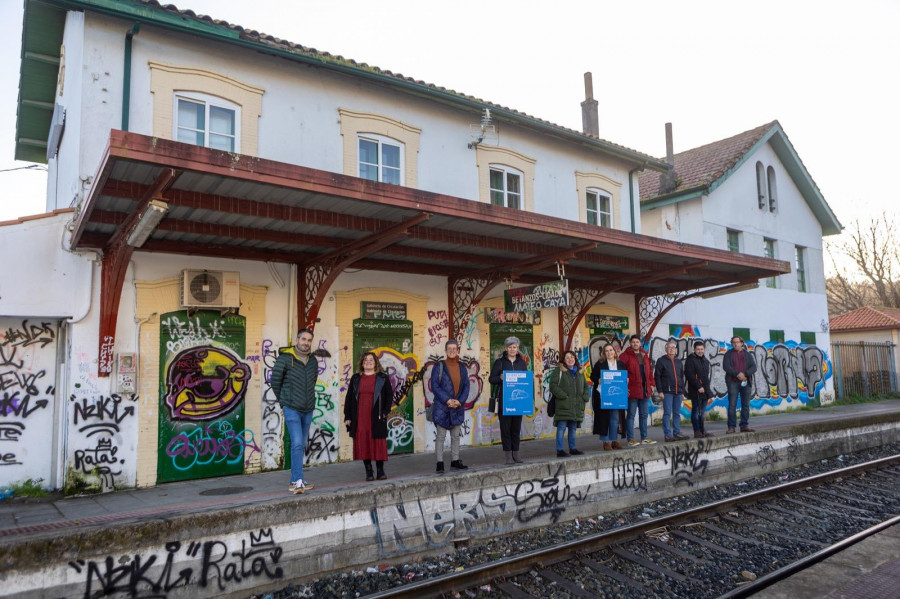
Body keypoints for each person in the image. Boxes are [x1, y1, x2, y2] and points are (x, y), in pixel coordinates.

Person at [271, 328, 319, 494]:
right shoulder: (285, 358)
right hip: (291, 408)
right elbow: (275, 381)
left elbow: (313, 381)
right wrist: (284, 401)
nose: (306, 343)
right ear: (297, 339)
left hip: (308, 408)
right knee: (297, 442)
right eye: (303, 339)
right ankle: (296, 480)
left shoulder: (313, 361)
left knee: (301, 444)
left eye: (309, 340)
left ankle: (298, 479)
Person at [343, 352, 394, 481]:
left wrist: (385, 412)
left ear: (376, 362)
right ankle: (369, 471)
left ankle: (380, 470)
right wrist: (347, 416)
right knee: (364, 442)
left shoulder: (383, 378)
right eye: (366, 360)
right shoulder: (355, 378)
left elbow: (389, 396)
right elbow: (349, 398)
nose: (369, 362)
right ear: (362, 363)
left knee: (378, 442)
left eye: (371, 360)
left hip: (377, 416)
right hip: (360, 416)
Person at [431, 339, 470, 472]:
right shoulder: (439, 366)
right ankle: (439, 463)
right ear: (446, 351)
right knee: (440, 437)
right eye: (449, 348)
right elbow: (434, 385)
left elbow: (466, 386)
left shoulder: (463, 368)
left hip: (457, 407)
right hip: (442, 407)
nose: (452, 350)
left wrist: (460, 401)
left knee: (456, 436)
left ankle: (455, 461)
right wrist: (447, 400)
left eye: (454, 348)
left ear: (458, 350)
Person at [489, 336, 529, 465]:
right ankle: (507, 456)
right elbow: (491, 379)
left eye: (515, 347)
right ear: (506, 348)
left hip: (518, 402)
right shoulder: (499, 362)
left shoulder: (522, 363)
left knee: (516, 429)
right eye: (510, 347)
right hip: (504, 401)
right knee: (505, 429)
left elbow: (525, 381)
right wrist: (500, 377)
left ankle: (516, 454)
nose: (513, 349)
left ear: (518, 349)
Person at [549, 350, 590, 457]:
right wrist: (563, 396)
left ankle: (572, 448)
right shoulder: (560, 371)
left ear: (575, 359)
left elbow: (585, 386)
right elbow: (553, 385)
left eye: (572, 357)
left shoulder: (579, 372)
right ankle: (560, 450)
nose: (570, 359)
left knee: (572, 428)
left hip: (576, 405)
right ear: (564, 360)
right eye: (567, 357)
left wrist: (585, 397)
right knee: (561, 427)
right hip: (563, 405)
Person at [619, 335, 657, 446]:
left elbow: (649, 372)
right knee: (631, 415)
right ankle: (630, 439)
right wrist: (624, 388)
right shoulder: (624, 356)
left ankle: (644, 437)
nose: (636, 343)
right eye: (633, 342)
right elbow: (621, 375)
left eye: (637, 342)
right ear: (630, 343)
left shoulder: (644, 355)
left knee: (644, 415)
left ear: (640, 343)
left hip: (645, 390)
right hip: (632, 391)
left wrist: (652, 384)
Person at [591, 344, 626, 450]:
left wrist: (626, 380)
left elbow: (624, 377)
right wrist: (598, 380)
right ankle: (606, 442)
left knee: (615, 419)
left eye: (611, 350)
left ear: (615, 352)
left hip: (616, 396)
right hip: (603, 396)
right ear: (604, 353)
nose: (609, 352)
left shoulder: (620, 364)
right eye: (606, 351)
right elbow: (592, 376)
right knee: (604, 418)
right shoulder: (600, 364)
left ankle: (614, 440)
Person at [655, 340, 689, 442]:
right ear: (666, 349)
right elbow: (657, 376)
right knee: (667, 413)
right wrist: (660, 391)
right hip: (667, 392)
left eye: (673, 347)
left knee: (677, 413)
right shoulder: (661, 361)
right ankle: (668, 434)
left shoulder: (678, 362)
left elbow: (681, 377)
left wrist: (682, 391)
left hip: (678, 392)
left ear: (676, 350)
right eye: (669, 347)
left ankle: (677, 433)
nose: (671, 349)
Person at [722, 335, 758, 433]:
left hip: (746, 382)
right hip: (733, 383)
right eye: (733, 342)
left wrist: (745, 374)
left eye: (737, 342)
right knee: (732, 405)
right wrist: (738, 374)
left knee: (745, 405)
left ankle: (744, 425)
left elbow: (754, 367)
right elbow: (726, 367)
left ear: (742, 343)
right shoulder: (728, 354)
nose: (735, 344)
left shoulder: (748, 354)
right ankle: (731, 427)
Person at [685, 340, 714, 439]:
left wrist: (707, 389)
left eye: (701, 349)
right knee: (696, 412)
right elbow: (690, 375)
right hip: (696, 392)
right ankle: (697, 431)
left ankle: (702, 430)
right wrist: (699, 387)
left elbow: (706, 377)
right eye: (698, 349)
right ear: (694, 350)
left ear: (704, 350)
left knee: (702, 413)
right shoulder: (690, 360)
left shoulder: (705, 361)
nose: (700, 351)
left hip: (705, 391)